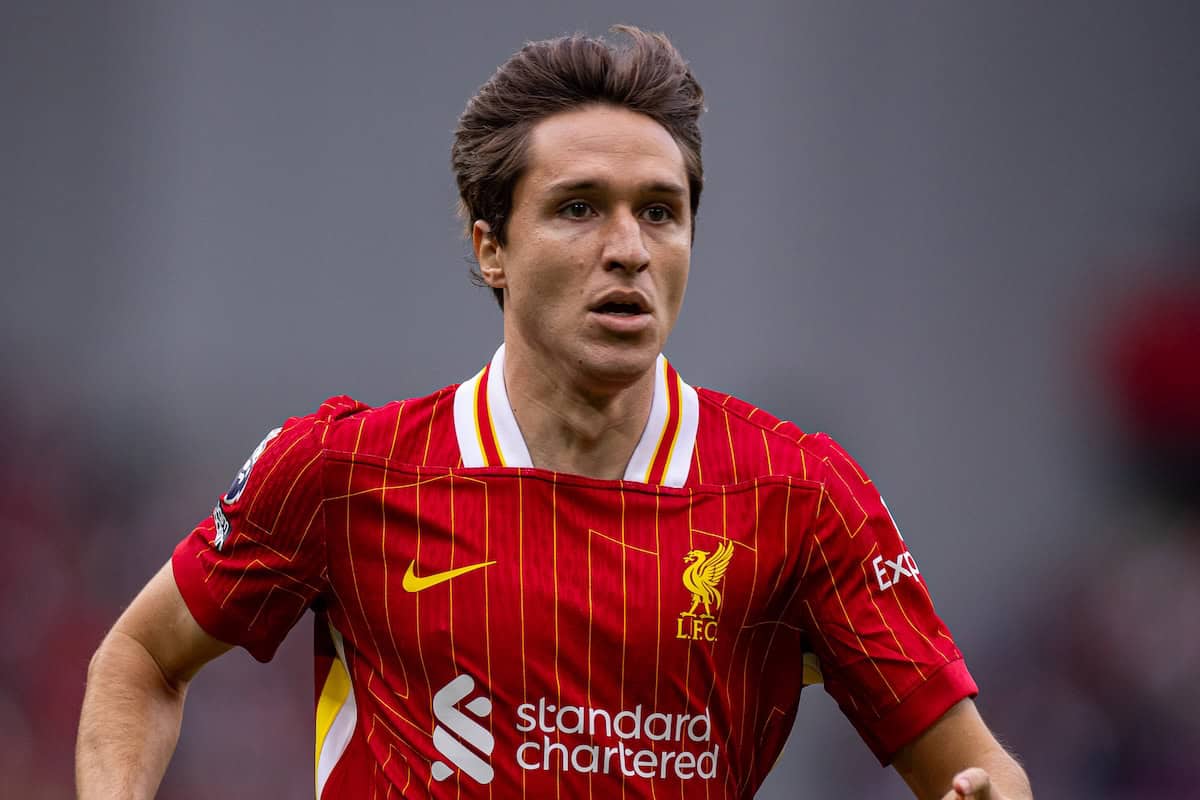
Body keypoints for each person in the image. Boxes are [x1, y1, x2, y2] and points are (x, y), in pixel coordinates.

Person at [76, 26, 1032, 799]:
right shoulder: (344, 469)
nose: (629, 248)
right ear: (491, 247)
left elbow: (975, 770)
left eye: (661, 212)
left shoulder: (799, 495)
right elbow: (141, 661)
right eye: (580, 208)